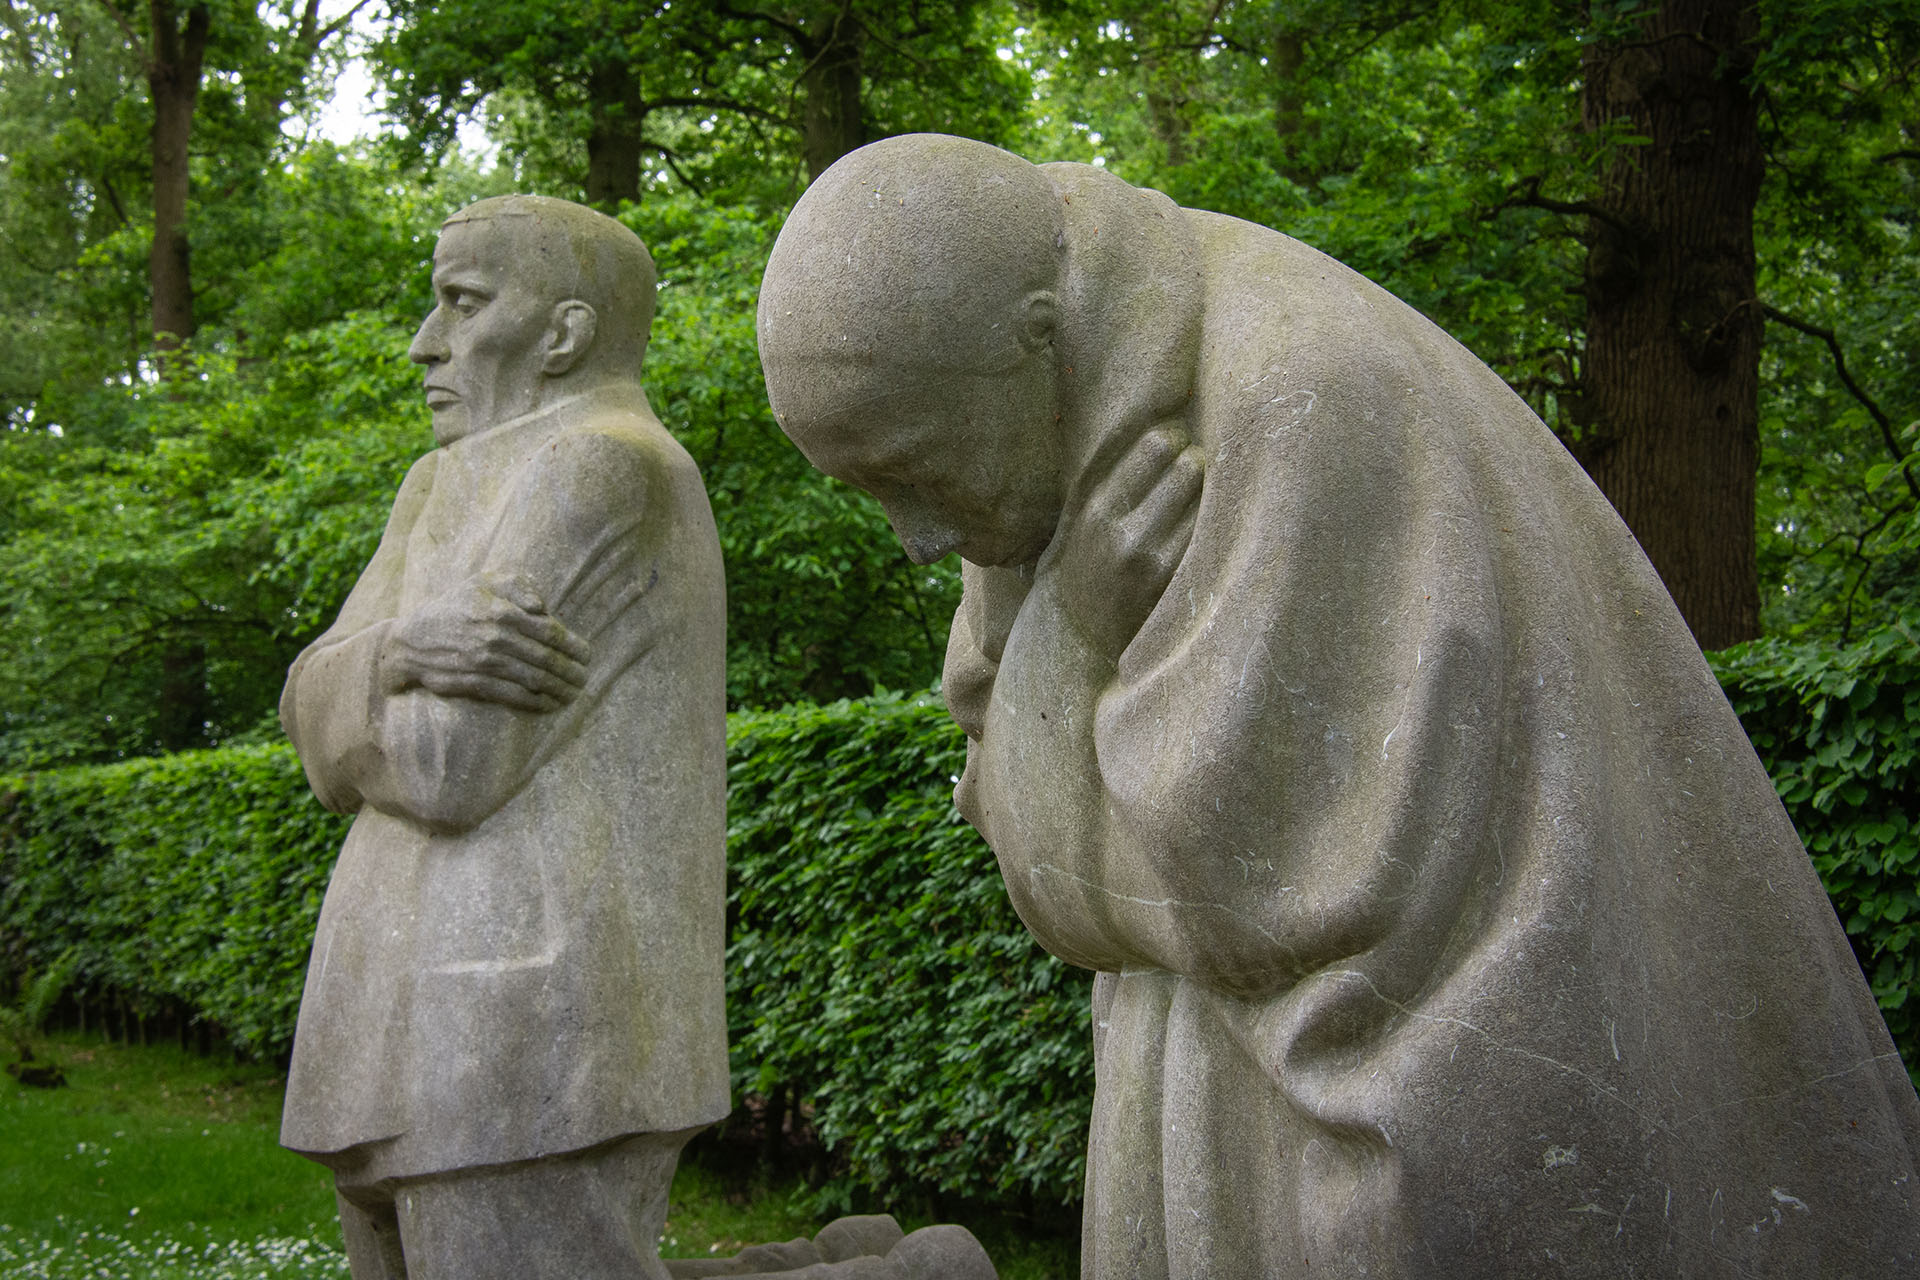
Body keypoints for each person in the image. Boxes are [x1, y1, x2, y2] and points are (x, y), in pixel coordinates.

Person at [758, 134, 1920, 1278]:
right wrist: (1070, 629)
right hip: (1240, 1078)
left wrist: (1062, 645)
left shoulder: (1296, 404)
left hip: (1411, 1105)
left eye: (914, 473)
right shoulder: (1067, 406)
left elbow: (1226, 900)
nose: (915, 541)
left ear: (1037, 339)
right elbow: (1044, 824)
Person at [279, 195, 729, 1280]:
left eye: (461, 303)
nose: (423, 342)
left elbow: (449, 764)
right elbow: (305, 705)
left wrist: (366, 680)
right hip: (403, 1017)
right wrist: (405, 648)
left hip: (529, 1025)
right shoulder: (436, 482)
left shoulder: (604, 466)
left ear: (564, 334)